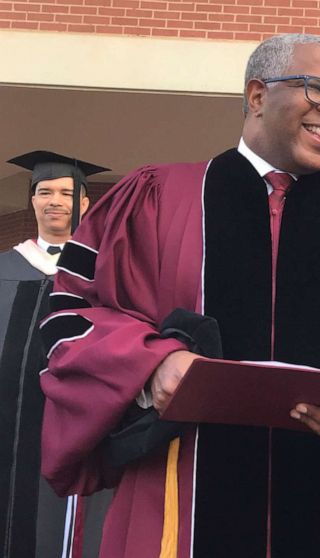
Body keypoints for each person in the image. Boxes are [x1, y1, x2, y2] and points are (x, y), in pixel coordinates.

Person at [37, 34, 320, 558]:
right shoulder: (155, 199)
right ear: (256, 95)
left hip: (318, 515)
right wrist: (149, 366)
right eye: (318, 89)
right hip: (175, 513)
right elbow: (70, 318)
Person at [0, 151, 112, 558]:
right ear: (32, 200)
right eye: (44, 191)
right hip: (9, 420)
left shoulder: (103, 272)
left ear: (84, 202)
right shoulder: (6, 267)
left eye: (66, 193)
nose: (54, 201)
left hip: (73, 417)